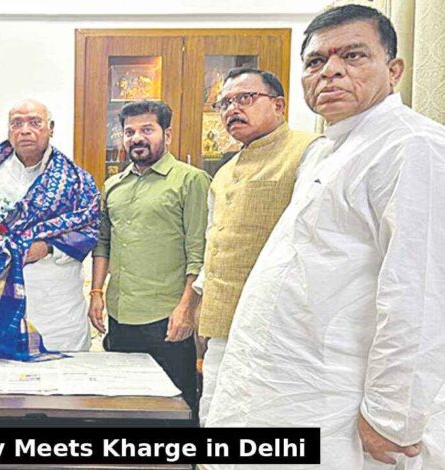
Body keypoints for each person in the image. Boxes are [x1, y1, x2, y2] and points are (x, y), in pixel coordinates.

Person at [204, 5, 445, 469]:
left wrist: (391, 417)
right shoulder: (326, 151)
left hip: (334, 400)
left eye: (353, 55)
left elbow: (420, 294)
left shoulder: (413, 146)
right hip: (281, 389)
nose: (330, 70)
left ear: (394, 70)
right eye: (316, 61)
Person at [194, 68, 322, 425]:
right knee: (215, 415)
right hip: (222, 323)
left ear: (278, 105)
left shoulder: (309, 150)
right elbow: (213, 242)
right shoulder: (224, 172)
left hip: (279, 326)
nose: (232, 109)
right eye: (225, 103)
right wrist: (200, 302)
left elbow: (317, 240)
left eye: (245, 98)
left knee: (265, 423)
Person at [0, 99, 99, 353]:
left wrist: (48, 247)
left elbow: (89, 229)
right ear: (9, 130)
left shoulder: (76, 181)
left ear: (51, 128)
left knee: (56, 373)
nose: (25, 130)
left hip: (52, 306)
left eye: (35, 122)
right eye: (17, 123)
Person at [90, 100, 210, 410]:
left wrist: (186, 309)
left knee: (173, 408)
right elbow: (103, 243)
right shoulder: (113, 185)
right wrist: (96, 293)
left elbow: (199, 253)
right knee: (124, 405)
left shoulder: (190, 180)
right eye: (129, 132)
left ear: (166, 134)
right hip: (120, 316)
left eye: (147, 130)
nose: (137, 138)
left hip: (167, 318)